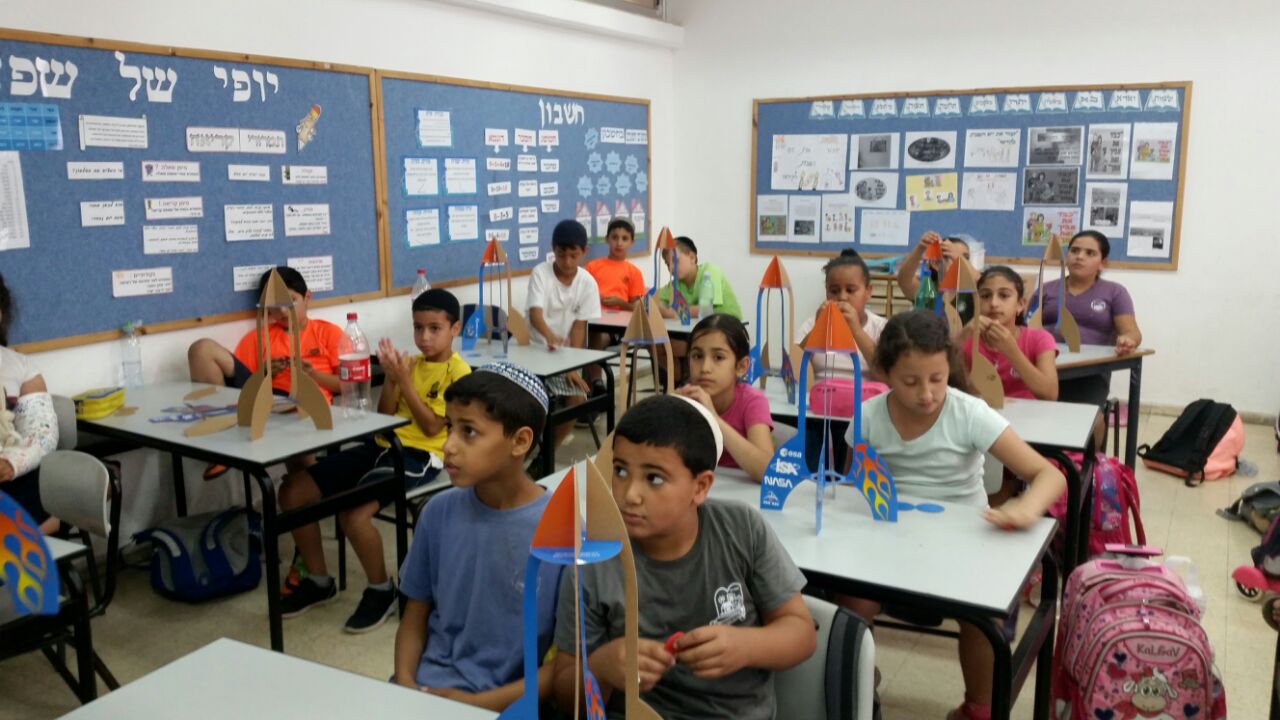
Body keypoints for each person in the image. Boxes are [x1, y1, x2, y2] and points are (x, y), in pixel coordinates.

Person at [841, 310, 1065, 720]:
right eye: (910, 382)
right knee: (849, 600)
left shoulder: (968, 412)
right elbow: (857, 483)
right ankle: (854, 681)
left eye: (937, 379)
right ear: (885, 374)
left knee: (982, 615)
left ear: (950, 370)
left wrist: (1025, 506)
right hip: (889, 537)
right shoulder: (868, 417)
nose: (926, 394)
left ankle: (979, 707)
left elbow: (1049, 475)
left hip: (962, 539)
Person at [551, 394, 815, 719]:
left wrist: (745, 646)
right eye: (620, 471)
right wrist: (602, 668)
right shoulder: (593, 559)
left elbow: (802, 634)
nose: (630, 494)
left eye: (654, 478)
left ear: (700, 487)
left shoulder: (741, 529)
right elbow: (565, 697)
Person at [279, 289, 470, 632]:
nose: (424, 337)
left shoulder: (459, 372)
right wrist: (394, 381)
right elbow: (385, 414)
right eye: (418, 327)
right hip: (383, 443)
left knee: (353, 515)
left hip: (421, 455)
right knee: (293, 490)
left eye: (434, 328)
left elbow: (431, 427)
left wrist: (404, 382)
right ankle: (318, 580)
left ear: (454, 329)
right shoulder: (411, 364)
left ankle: (382, 590)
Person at [393, 363, 561, 711]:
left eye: (468, 432)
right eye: (449, 427)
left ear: (520, 441)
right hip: (425, 690)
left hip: (506, 704)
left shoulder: (562, 533)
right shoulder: (437, 512)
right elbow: (414, 618)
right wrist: (405, 686)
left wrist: (475, 703)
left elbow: (563, 667)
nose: (448, 445)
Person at [186, 266, 342, 479]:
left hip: (302, 406)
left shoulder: (328, 333)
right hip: (263, 401)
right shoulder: (258, 338)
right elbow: (245, 386)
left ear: (307, 298)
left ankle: (304, 485)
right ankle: (220, 444)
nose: (283, 312)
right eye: (275, 306)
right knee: (201, 349)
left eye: (291, 302)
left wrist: (313, 374)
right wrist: (266, 372)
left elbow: (347, 385)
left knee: (300, 476)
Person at [797, 248, 889, 473]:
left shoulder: (881, 328)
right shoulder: (811, 323)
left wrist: (856, 330)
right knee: (810, 443)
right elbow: (795, 365)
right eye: (834, 291)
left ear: (868, 292)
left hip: (865, 414)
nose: (842, 298)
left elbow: (887, 373)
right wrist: (818, 328)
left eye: (851, 290)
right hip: (818, 413)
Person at [1037, 230, 1142, 408]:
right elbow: (1024, 328)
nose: (1079, 257)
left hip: (1091, 372)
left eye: (1090, 253)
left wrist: (1127, 341)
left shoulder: (1115, 292)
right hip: (1044, 366)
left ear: (1103, 263)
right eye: (1074, 251)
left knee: (1083, 416)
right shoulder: (1046, 289)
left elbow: (1132, 333)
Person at [526, 219, 602, 450]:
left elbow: (579, 327)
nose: (567, 262)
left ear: (584, 252)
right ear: (553, 250)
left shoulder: (587, 283)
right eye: (561, 255)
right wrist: (549, 336)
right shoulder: (541, 273)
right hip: (532, 352)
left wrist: (572, 367)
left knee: (577, 398)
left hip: (562, 357)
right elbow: (535, 315)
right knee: (525, 400)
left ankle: (545, 455)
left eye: (573, 255)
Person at [675, 314, 774, 482]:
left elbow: (767, 471)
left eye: (718, 357)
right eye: (697, 356)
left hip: (742, 494)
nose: (705, 368)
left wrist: (713, 418)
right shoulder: (685, 399)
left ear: (741, 366)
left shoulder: (753, 402)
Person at [0, 273, 59, 534]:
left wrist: (13, 462)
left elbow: (41, 436)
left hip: (11, 474)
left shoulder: (21, 368)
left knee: (46, 485)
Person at [962, 266, 1058, 402]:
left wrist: (1010, 349)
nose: (993, 303)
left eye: (1004, 295)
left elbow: (1050, 394)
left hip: (1028, 412)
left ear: (1020, 305)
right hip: (980, 411)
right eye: (985, 296)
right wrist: (960, 339)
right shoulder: (966, 338)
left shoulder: (1040, 339)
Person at [656, 236, 741, 384]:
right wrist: (663, 308)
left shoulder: (709, 271)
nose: (671, 268)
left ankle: (686, 381)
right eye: (667, 264)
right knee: (656, 343)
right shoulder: (676, 284)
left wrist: (675, 312)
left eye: (675, 261)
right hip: (695, 332)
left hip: (726, 330)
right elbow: (656, 301)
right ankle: (679, 383)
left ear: (692, 257)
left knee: (670, 346)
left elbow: (707, 309)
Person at [585, 217, 646, 393]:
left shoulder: (633, 272)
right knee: (585, 335)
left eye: (624, 238)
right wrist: (594, 299)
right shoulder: (593, 267)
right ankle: (586, 387)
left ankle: (596, 382)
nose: (619, 243)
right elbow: (581, 295)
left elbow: (638, 307)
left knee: (595, 336)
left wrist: (620, 303)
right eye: (614, 237)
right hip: (592, 321)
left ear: (631, 242)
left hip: (618, 329)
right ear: (607, 239)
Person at [895, 231, 974, 300]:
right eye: (955, 258)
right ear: (936, 264)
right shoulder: (929, 292)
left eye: (966, 258)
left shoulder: (973, 292)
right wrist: (920, 248)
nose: (963, 264)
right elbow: (904, 281)